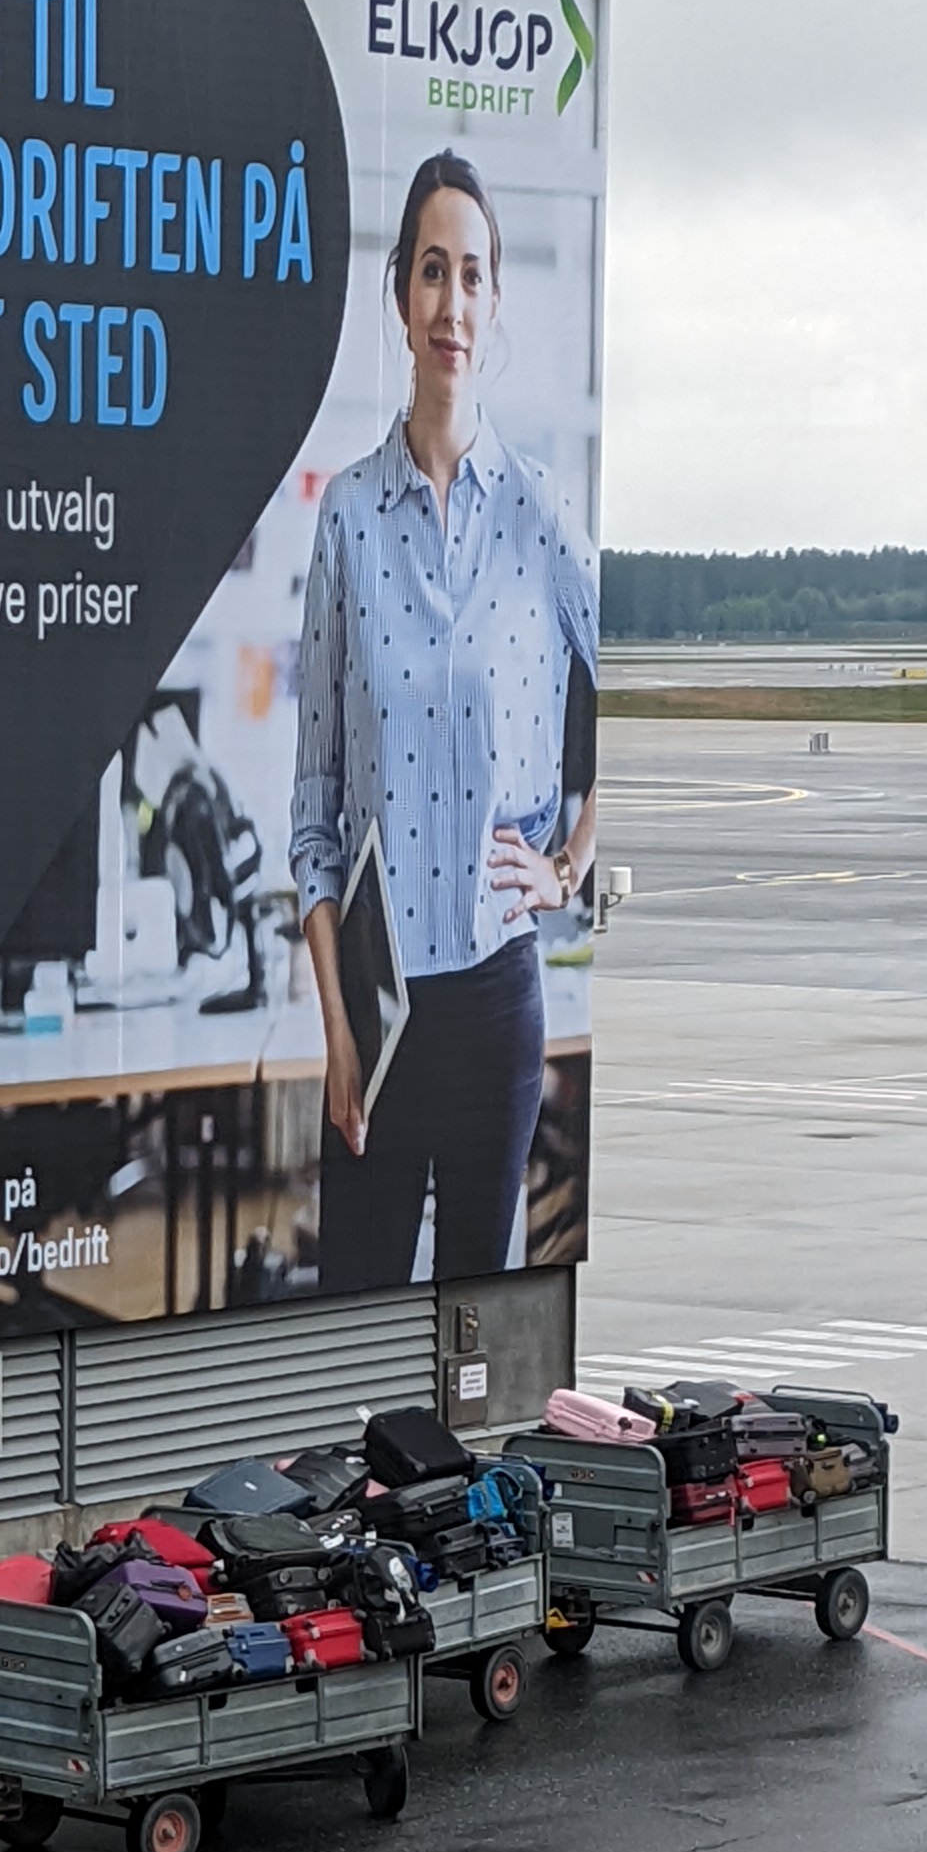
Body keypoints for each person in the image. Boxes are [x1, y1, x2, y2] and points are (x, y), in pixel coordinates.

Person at [290, 147, 598, 1296]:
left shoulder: (539, 510)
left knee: (483, 1338)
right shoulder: (347, 523)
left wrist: (569, 864)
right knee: (350, 1336)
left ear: (496, 299)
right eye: (431, 273)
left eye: (472, 276)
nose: (451, 304)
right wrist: (335, 1030)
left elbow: (638, 694)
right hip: (379, 1011)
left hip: (495, 995)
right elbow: (310, 813)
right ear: (400, 297)